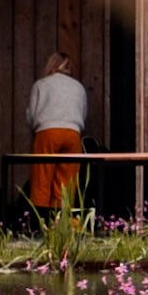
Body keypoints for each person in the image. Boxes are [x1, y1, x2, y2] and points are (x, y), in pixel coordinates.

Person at [25, 46, 90, 218]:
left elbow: (32, 113)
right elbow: (83, 112)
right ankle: (61, 224)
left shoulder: (41, 84)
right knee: (66, 183)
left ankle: (39, 222)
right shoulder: (78, 87)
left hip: (47, 132)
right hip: (72, 134)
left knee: (42, 179)